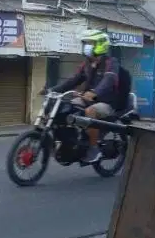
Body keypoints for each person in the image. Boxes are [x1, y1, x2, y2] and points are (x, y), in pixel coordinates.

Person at [46, 29, 125, 163]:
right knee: (65, 106)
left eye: (90, 43)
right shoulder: (87, 64)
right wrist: (52, 90)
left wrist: (95, 92)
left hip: (107, 102)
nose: (87, 46)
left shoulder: (111, 63)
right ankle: (71, 140)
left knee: (90, 112)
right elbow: (73, 80)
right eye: (86, 43)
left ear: (100, 45)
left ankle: (94, 148)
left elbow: (109, 80)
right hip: (87, 99)